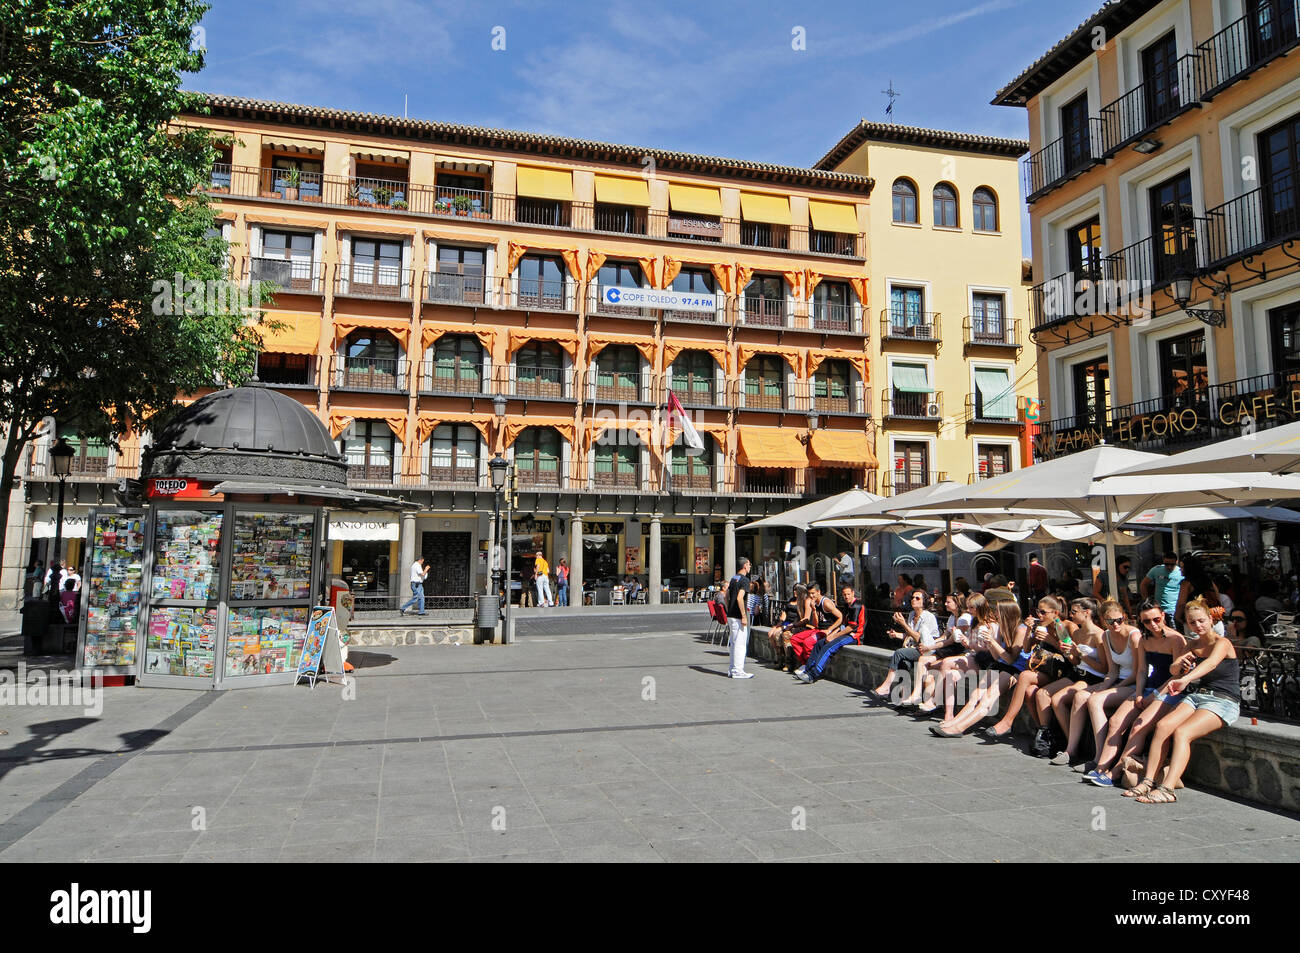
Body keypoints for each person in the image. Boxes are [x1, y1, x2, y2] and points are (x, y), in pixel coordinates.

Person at [1129, 598, 1241, 804]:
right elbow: (1173, 671)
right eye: (1192, 622)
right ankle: (1148, 781)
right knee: (1163, 726)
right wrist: (1179, 663)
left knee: (1182, 732)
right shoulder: (1192, 644)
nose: (1197, 626)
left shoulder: (1222, 643)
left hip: (1223, 700)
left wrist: (1186, 678)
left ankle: (1167, 788)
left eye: (1201, 621)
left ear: (1210, 619)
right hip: (1198, 695)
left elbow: (1210, 664)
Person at [1085, 601, 1187, 788]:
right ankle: (1101, 767)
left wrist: (1153, 694)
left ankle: (1114, 772)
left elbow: (1178, 675)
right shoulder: (1144, 639)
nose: (1153, 625)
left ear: (1163, 616)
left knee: (1138, 727)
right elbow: (1141, 671)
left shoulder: (1176, 639)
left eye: (1156, 619)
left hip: (1170, 690)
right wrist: (1140, 693)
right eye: (1147, 622)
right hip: (1148, 687)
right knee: (1116, 721)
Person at [1051, 599, 1145, 769]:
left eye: (1119, 620)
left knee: (1095, 701)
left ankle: (1098, 759)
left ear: (1124, 617)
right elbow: (1112, 671)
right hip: (1117, 679)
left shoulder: (1134, 635)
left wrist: (1108, 689)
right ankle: (1070, 750)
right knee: (1081, 696)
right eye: (1110, 622)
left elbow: (1138, 672)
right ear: (1103, 620)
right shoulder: (1106, 635)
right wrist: (1103, 687)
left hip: (1133, 682)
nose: (1115, 625)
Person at [932, 599, 1026, 737]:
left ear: (1007, 613)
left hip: (1014, 669)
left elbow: (1011, 659)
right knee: (975, 695)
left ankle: (959, 728)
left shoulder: (1021, 630)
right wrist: (990, 643)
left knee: (988, 697)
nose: (995, 614)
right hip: (1000, 664)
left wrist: (992, 641)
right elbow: (996, 657)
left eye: (998, 611)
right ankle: (954, 723)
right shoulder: (1002, 628)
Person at [872, 589, 939, 701]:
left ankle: (886, 686)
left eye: (917, 598)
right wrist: (896, 635)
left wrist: (903, 623)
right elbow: (909, 635)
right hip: (914, 648)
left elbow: (919, 638)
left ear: (924, 602)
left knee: (899, 653)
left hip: (926, 649)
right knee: (904, 663)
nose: (913, 600)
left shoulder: (928, 617)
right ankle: (904, 698)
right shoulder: (912, 615)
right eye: (913, 597)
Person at [795, 584, 866, 683]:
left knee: (828, 647)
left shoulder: (856, 605)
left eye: (848, 594)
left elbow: (851, 627)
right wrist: (833, 633)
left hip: (854, 636)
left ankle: (812, 675)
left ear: (853, 593)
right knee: (819, 644)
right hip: (845, 632)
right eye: (844, 595)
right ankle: (807, 670)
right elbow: (843, 624)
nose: (846, 597)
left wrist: (835, 636)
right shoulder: (847, 605)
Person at [725, 558, 753, 679]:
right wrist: (743, 616)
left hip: (731, 614)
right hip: (738, 616)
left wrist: (728, 609)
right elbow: (739, 598)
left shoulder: (734, 578)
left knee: (734, 643)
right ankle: (738, 670)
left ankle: (732, 669)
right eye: (749, 564)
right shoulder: (745, 580)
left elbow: (726, 595)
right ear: (745, 565)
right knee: (740, 644)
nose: (750, 566)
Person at [1141, 551, 1183, 626]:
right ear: (1163, 561)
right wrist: (1147, 601)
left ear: (1176, 562)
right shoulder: (1156, 570)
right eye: (1167, 564)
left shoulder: (1181, 572)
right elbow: (1143, 584)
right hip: (1158, 610)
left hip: (1173, 610)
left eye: (1172, 564)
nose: (1169, 567)